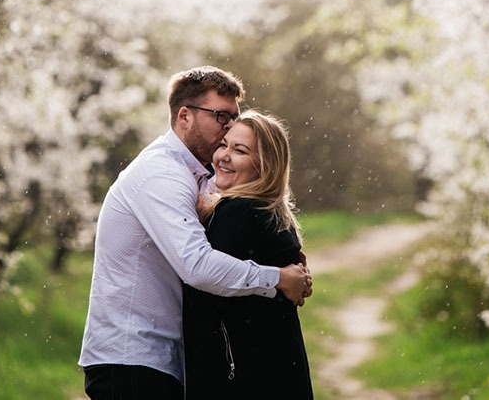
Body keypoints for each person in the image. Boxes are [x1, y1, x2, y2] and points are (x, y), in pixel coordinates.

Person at [79, 67, 313, 400]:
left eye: (234, 117)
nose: (229, 126)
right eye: (221, 116)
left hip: (158, 360)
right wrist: (277, 277)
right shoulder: (162, 175)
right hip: (133, 361)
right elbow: (197, 266)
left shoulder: (198, 176)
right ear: (185, 116)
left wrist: (282, 252)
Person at [183, 109, 312, 399]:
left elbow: (203, 284)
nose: (223, 156)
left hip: (244, 377)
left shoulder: (240, 213)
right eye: (223, 144)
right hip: (274, 371)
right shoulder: (270, 212)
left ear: (265, 166)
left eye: (240, 151)